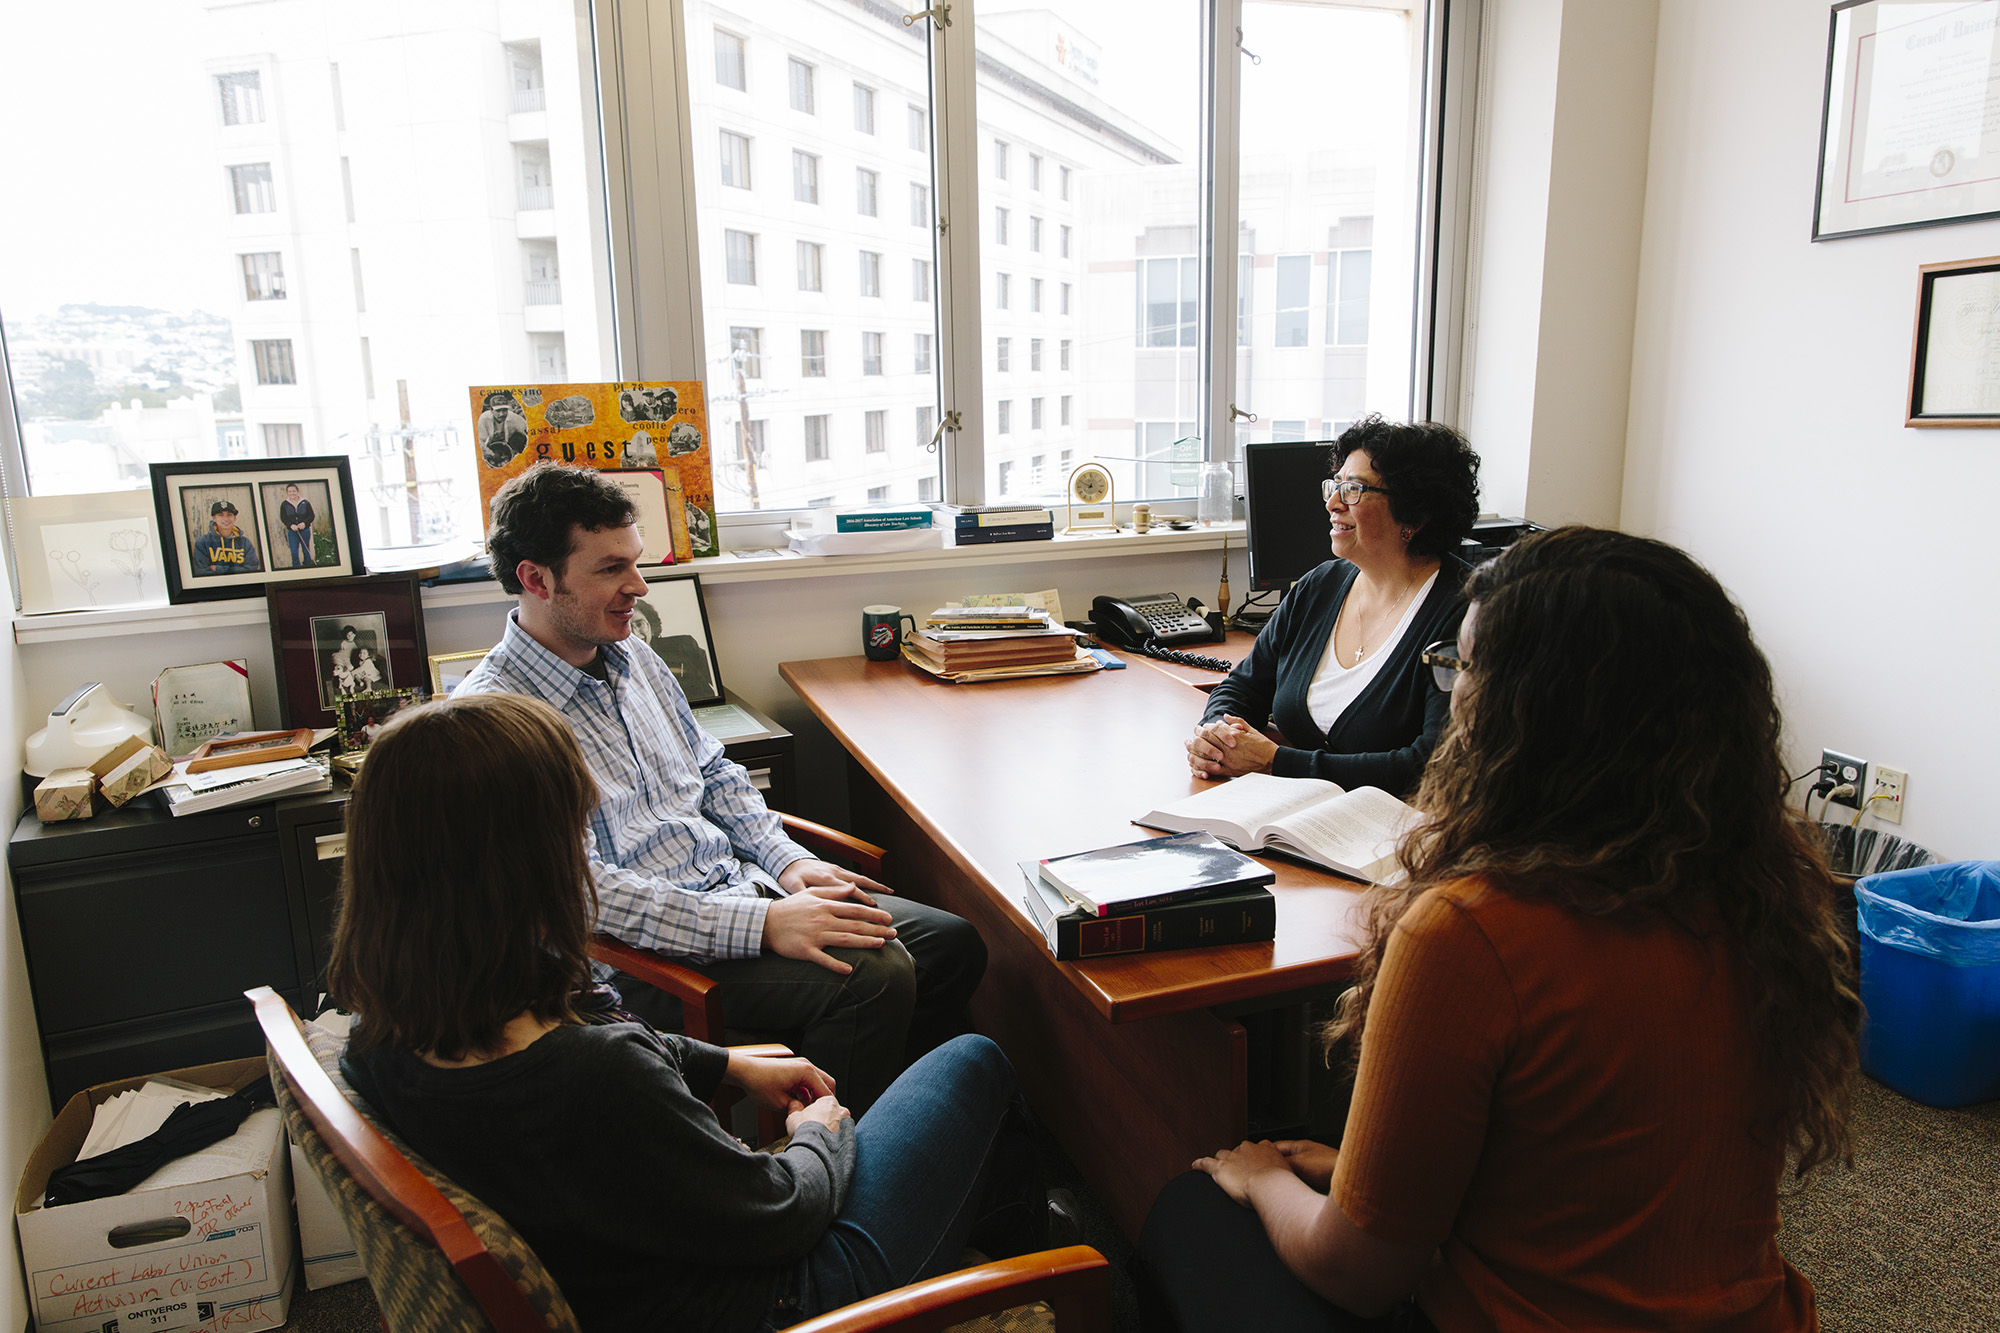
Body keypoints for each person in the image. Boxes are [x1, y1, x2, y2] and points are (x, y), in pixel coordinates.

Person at [1141, 527, 1860, 1332]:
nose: (1453, 693)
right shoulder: (1767, 888)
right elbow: (1599, 1156)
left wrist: (1261, 1173)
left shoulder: (1473, 930)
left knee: (1188, 1207)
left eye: (1464, 668)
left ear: (1529, 712)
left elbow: (1358, 1274)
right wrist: (1357, 1173)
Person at [331, 693, 1053, 1332]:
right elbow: (784, 1211)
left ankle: (963, 1243)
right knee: (976, 1062)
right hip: (786, 1297)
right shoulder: (593, 1078)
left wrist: (727, 1062)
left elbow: (612, 1051)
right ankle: (1026, 1279)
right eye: (569, 841)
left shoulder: (384, 1036)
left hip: (648, 1265)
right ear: (524, 871)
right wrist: (821, 1133)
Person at [457, 462, 986, 1114]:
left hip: (737, 889)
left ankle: (922, 1123)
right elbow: (579, 897)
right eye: (610, 569)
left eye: (637, 562)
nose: (640, 586)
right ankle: (839, 1178)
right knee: (875, 978)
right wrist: (762, 924)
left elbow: (712, 771)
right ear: (536, 579)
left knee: (951, 945)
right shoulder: (492, 718)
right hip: (642, 957)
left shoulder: (634, 658)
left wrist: (786, 863)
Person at [1189, 416, 1479, 796]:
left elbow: (1430, 764)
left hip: (1400, 831)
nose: (1332, 503)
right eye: (1335, 485)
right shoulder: (1320, 586)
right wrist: (1216, 735)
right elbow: (1244, 686)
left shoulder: (1468, 613)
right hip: (1294, 817)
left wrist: (1276, 763)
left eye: (1354, 489)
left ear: (1415, 512)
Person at [189, 498, 262, 577]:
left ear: (234, 518)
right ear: (214, 518)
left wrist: (218, 569)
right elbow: (201, 572)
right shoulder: (203, 542)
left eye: (229, 515)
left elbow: (252, 569)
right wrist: (238, 570)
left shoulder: (245, 543)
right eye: (220, 515)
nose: (226, 519)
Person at [279, 483, 316, 567]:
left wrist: (304, 523)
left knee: (306, 550)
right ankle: (296, 568)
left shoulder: (305, 502)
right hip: (292, 532)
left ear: (297, 491)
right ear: (287, 493)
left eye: (294, 491)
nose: (292, 493)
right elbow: (283, 517)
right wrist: (291, 525)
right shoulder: (284, 504)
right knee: (294, 552)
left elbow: (311, 516)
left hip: (305, 530)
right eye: (290, 491)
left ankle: (308, 566)